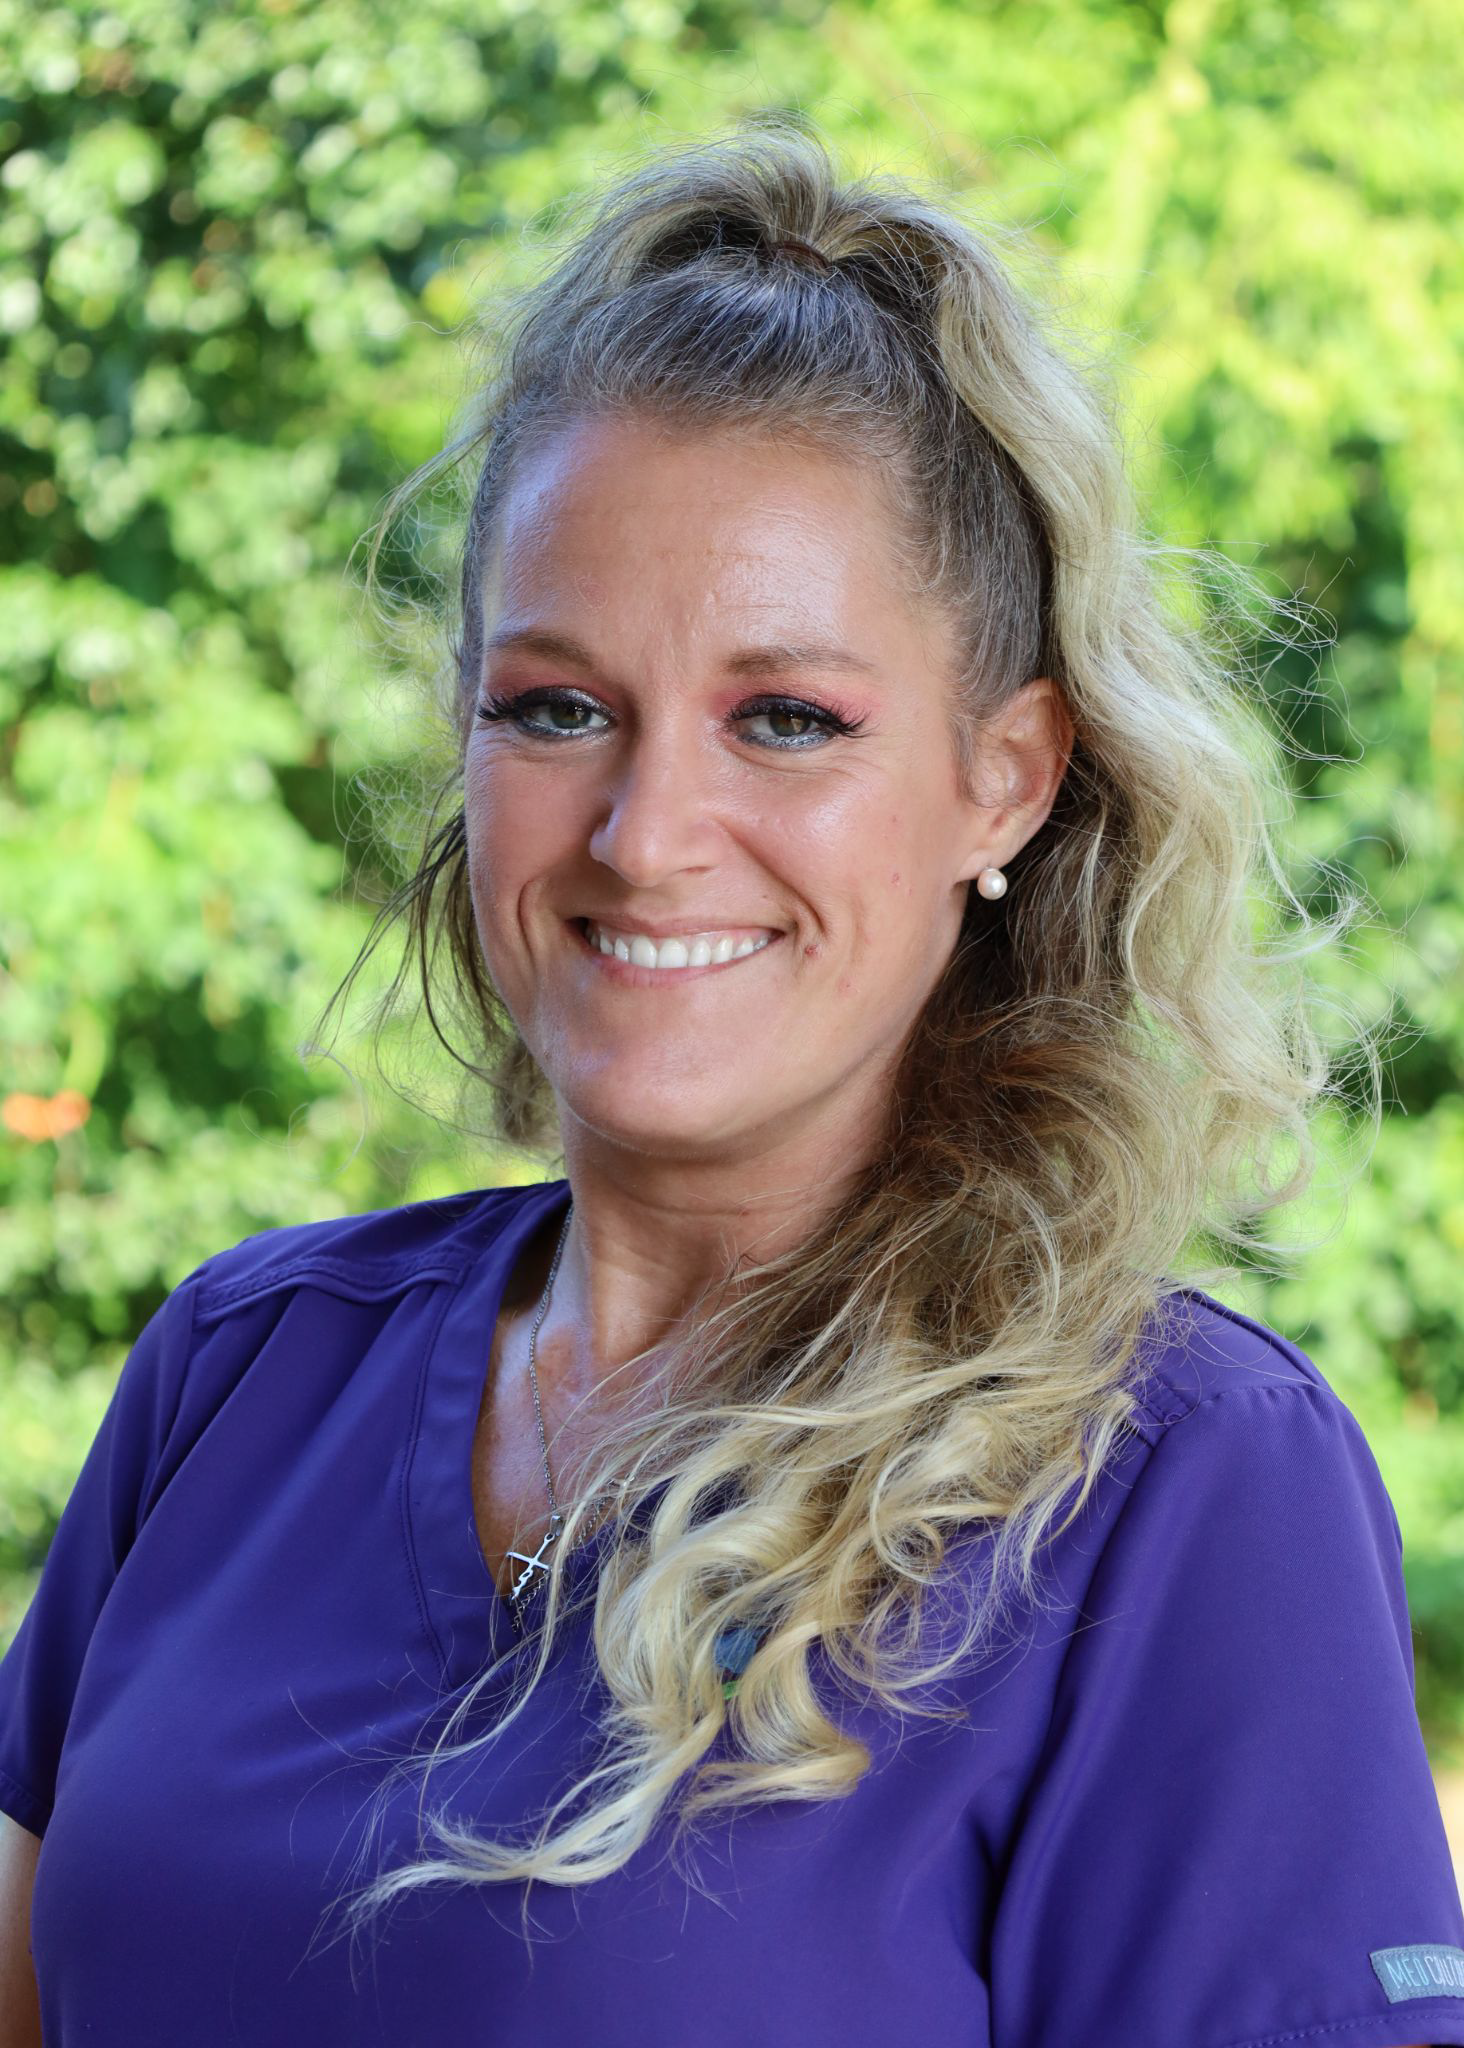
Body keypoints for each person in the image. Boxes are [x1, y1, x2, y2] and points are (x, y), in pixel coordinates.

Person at [0, 116, 1458, 2048]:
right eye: (557, 706)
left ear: (1004, 777)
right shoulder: (246, 1370)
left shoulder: (1179, 1488)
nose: (648, 827)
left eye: (787, 718)